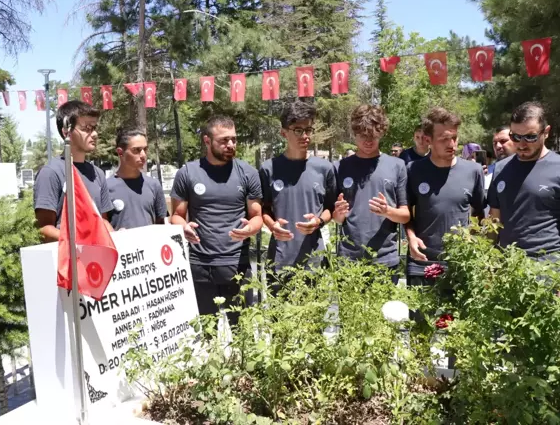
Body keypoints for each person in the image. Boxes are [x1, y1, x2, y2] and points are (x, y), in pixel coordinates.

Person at [170, 116, 263, 323]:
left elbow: (257, 217)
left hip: (237, 264)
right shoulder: (188, 173)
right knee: (206, 333)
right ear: (207, 141)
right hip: (200, 265)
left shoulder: (248, 173)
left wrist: (250, 230)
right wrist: (184, 227)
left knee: (243, 335)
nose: (230, 145)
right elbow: (176, 215)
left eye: (234, 140)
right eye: (223, 140)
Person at [405, 107, 485, 286]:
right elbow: (406, 213)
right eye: (444, 139)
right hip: (423, 258)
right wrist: (410, 237)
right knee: (421, 314)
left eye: (454, 138)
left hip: (461, 262)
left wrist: (474, 242)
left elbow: (479, 214)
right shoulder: (413, 171)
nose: (452, 145)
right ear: (428, 140)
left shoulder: (473, 171)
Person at [333, 105, 410, 283]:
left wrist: (387, 211)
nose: (368, 141)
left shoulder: (396, 166)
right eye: (363, 136)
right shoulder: (340, 167)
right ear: (354, 133)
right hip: (348, 261)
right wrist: (339, 214)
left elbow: (405, 216)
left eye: (373, 136)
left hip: (385, 260)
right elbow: (336, 219)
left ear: (381, 132)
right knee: (349, 312)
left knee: (383, 312)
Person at [259, 101, 337, 277]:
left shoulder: (324, 169)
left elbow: (330, 209)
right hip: (279, 260)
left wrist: (318, 221)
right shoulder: (268, 168)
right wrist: (273, 225)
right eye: (298, 130)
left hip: (314, 261)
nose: (305, 136)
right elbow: (263, 209)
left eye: (308, 130)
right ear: (284, 133)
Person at [488, 102, 560, 261]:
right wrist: (486, 258)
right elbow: (494, 220)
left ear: (546, 132)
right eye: (515, 136)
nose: (521, 144)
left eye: (530, 137)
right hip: (508, 266)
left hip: (549, 268)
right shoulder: (500, 169)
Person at [34, 100, 113, 242]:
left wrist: (118, 239)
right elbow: (44, 229)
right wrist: (80, 242)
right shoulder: (51, 173)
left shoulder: (98, 174)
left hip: (96, 259)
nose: (94, 134)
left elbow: (104, 221)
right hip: (67, 260)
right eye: (87, 128)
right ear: (66, 132)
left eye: (95, 128)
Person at [107, 129, 168, 229]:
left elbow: (161, 223)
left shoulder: (154, 185)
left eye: (145, 149)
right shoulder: (106, 187)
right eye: (137, 150)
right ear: (120, 152)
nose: (143, 155)